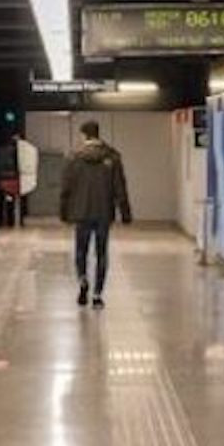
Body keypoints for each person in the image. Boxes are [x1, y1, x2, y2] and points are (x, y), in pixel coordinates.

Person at [58, 120, 130, 308]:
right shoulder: (112, 157)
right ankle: (97, 295)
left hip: (80, 212)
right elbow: (120, 187)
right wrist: (125, 212)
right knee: (101, 254)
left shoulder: (73, 158)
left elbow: (66, 188)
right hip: (104, 213)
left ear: (84, 135)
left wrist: (63, 212)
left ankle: (83, 280)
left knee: (81, 251)